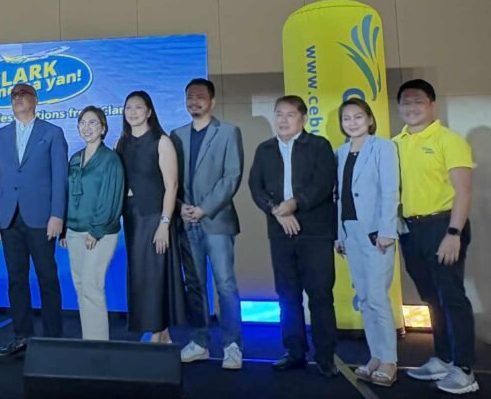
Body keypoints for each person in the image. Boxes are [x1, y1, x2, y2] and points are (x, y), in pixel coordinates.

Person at [394, 79, 478, 394]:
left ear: (432, 105)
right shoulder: (395, 143)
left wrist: (454, 233)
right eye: (406, 102)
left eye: (418, 101)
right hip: (410, 230)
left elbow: (464, 191)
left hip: (443, 226)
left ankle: (465, 369)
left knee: (452, 297)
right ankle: (443, 358)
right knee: (430, 297)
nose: (411, 107)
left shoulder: (449, 140)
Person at [248, 95, 338, 378]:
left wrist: (294, 204)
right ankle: (295, 352)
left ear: (303, 118)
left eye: (290, 114)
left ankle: (325, 356)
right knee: (287, 295)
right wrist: (278, 211)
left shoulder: (319, 146)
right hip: (280, 231)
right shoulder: (265, 149)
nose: (283, 120)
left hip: (315, 232)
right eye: (279, 114)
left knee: (320, 295)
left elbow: (323, 184)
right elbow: (255, 186)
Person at [0, 83, 67, 360]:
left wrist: (57, 215)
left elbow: (60, 178)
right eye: (14, 96)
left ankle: (53, 339)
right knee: (16, 280)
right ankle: (22, 337)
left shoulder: (52, 133)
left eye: (23, 94)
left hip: (42, 217)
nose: (18, 99)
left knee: (47, 278)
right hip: (9, 218)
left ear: (36, 99)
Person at [171, 78, 245, 369]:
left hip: (217, 221)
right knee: (195, 284)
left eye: (200, 97)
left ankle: (232, 345)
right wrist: (181, 207)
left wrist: (203, 209)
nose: (194, 101)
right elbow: (171, 180)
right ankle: (200, 342)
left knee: (225, 284)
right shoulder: (177, 135)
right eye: (190, 97)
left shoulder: (228, 132)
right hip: (187, 221)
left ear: (212, 101)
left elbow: (232, 177)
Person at [334, 98, 400, 387]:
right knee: (364, 298)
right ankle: (376, 355)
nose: (352, 122)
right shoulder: (340, 152)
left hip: (375, 231)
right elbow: (339, 196)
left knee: (376, 297)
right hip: (350, 231)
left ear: (370, 119)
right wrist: (339, 234)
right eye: (346, 118)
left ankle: (389, 361)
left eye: (358, 117)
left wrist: (387, 229)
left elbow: (390, 190)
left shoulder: (383, 147)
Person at [115, 90, 185, 344]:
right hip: (132, 217)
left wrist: (164, 223)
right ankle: (156, 329)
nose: (132, 112)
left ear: (149, 111)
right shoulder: (121, 144)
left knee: (157, 273)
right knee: (140, 274)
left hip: (155, 216)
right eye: (128, 108)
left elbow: (172, 186)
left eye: (138, 107)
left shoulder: (161, 141)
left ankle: (160, 329)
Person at [62, 106, 124, 341]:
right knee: (81, 286)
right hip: (74, 231)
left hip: (100, 233)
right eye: (82, 123)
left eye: (93, 123)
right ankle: (89, 340)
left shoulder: (110, 159)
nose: (86, 127)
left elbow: (110, 198)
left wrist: (96, 231)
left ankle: (98, 345)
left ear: (103, 128)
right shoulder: (75, 158)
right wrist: (65, 229)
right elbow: (68, 195)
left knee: (92, 285)